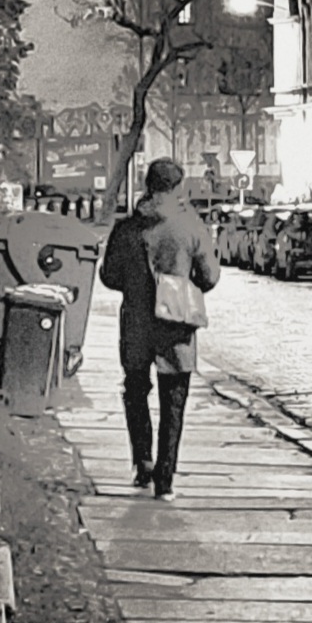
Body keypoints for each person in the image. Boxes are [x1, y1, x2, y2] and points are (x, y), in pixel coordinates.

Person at [99, 157, 220, 497]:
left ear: (146, 185)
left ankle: (143, 463)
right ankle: (165, 479)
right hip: (176, 323)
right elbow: (209, 278)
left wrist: (136, 285)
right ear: (178, 187)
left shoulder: (126, 229)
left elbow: (109, 276)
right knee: (174, 399)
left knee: (135, 392)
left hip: (136, 323)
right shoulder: (190, 227)